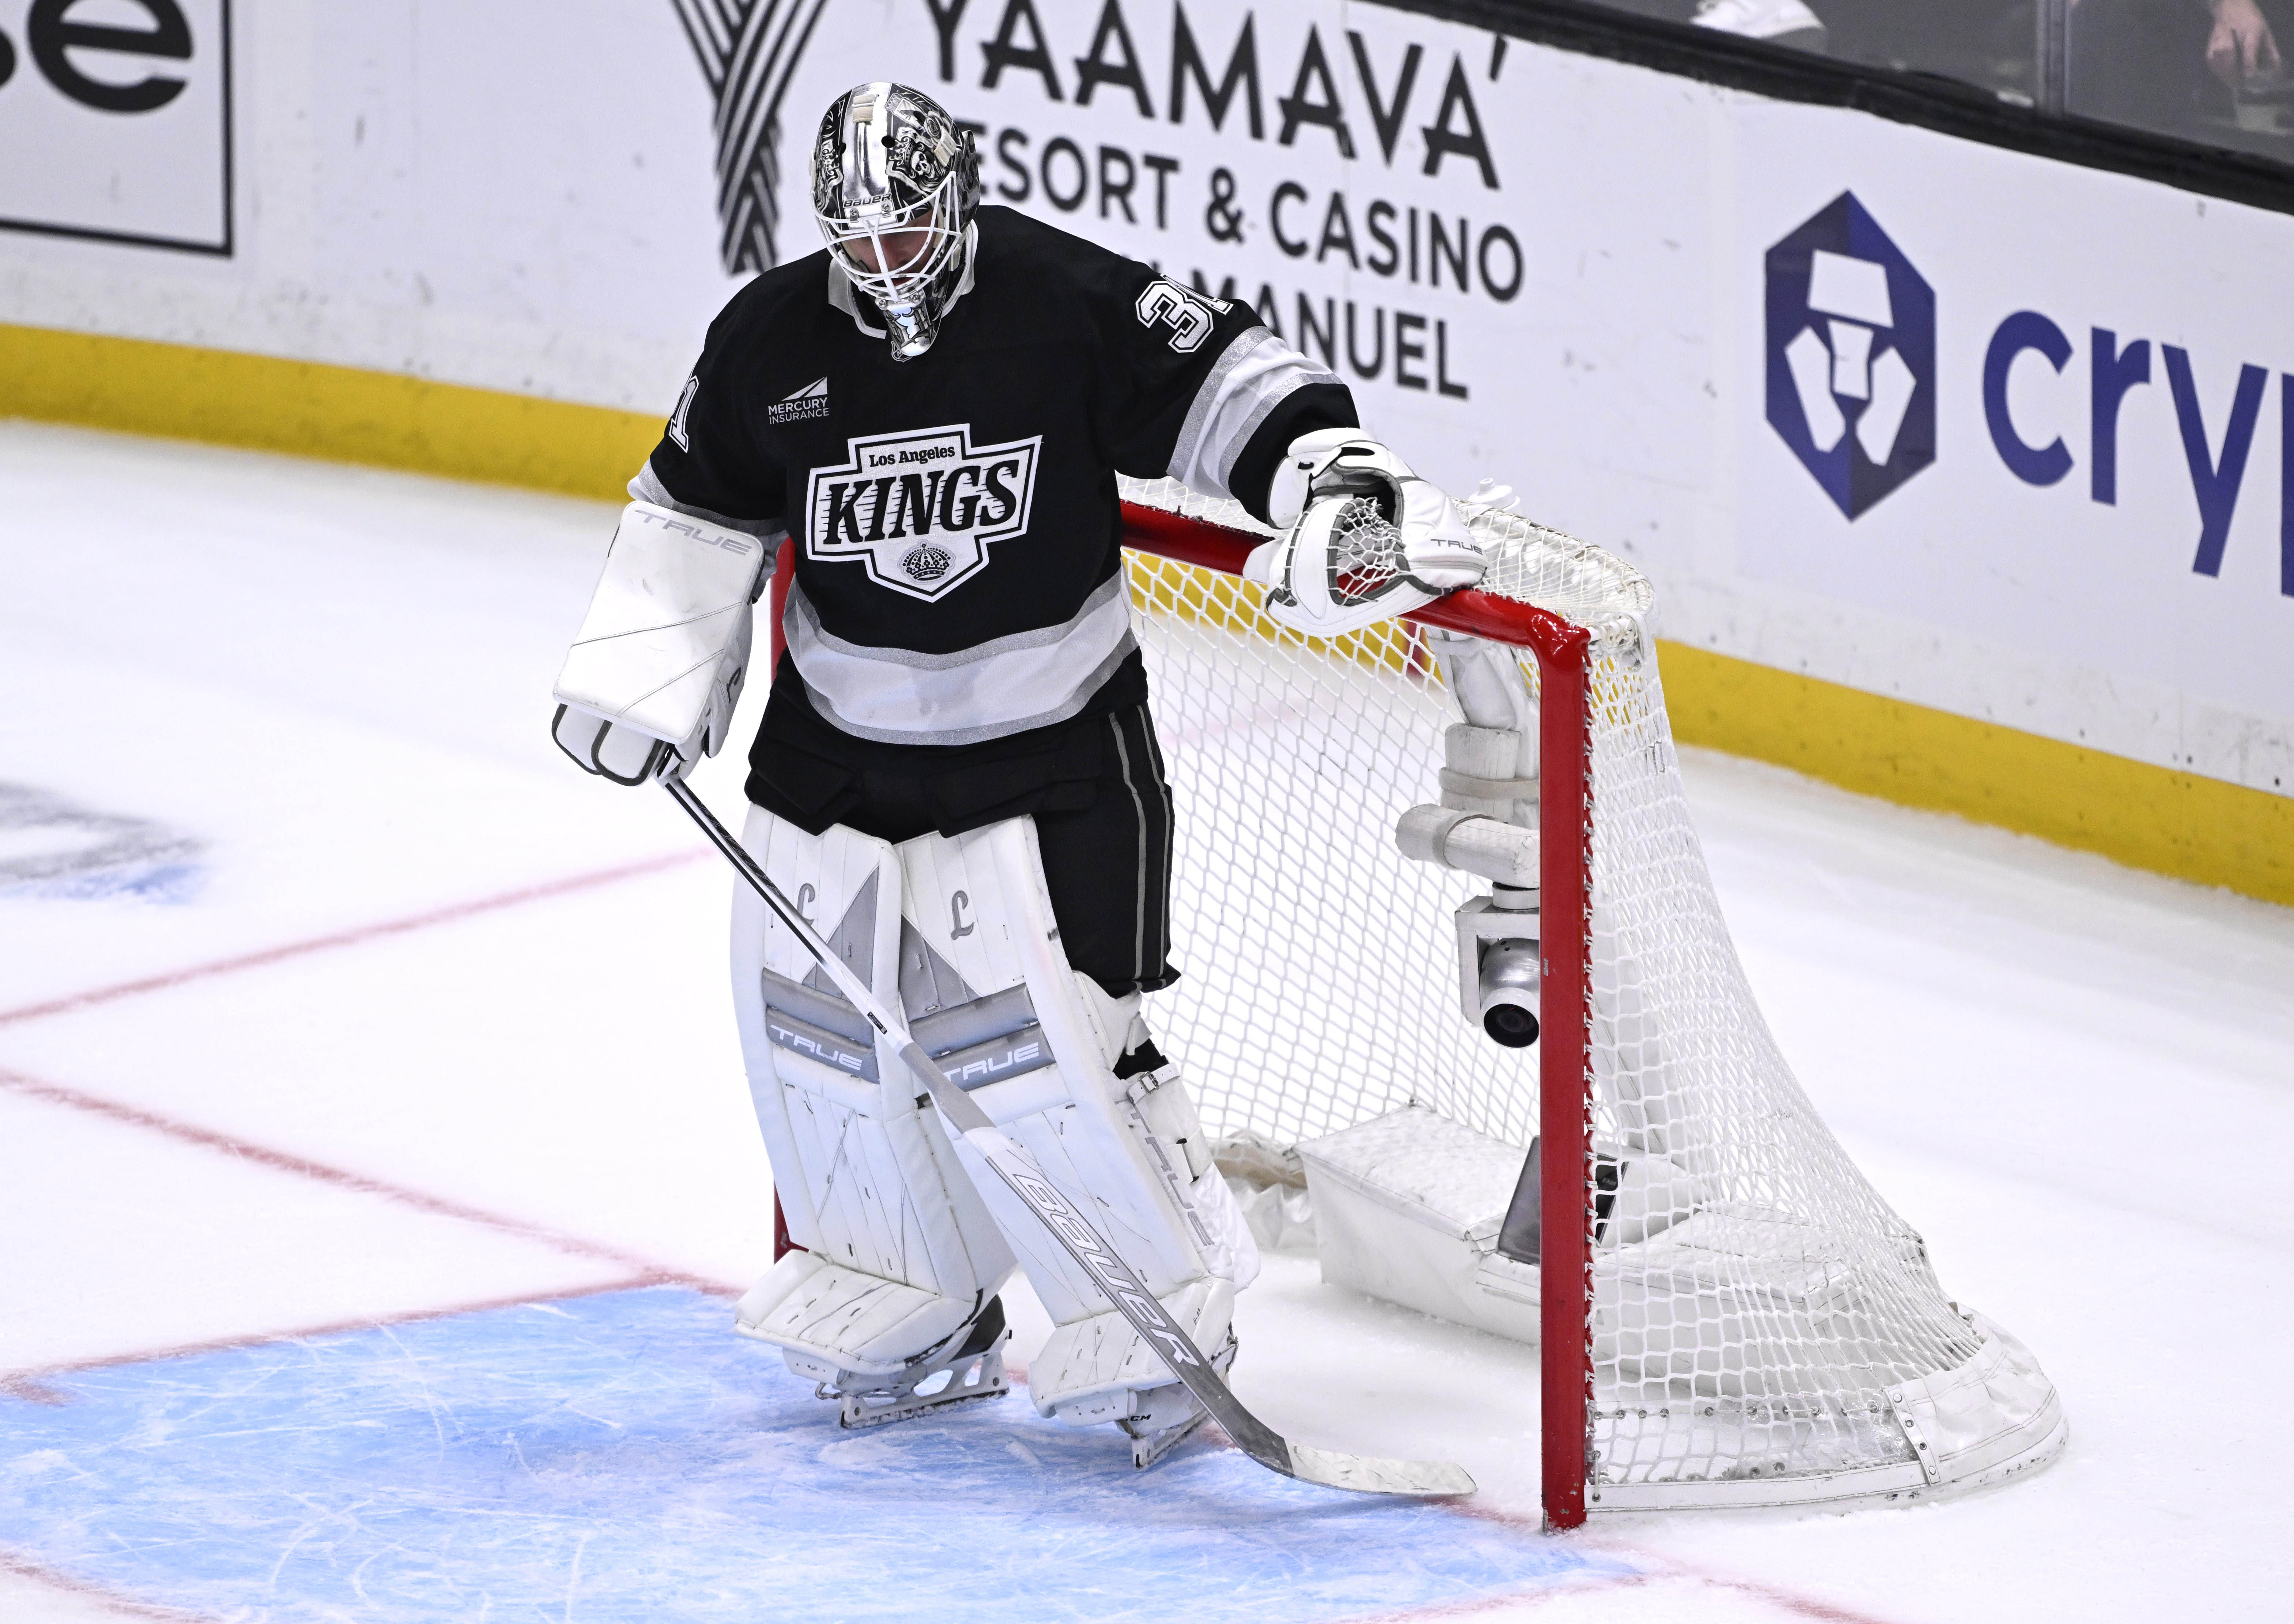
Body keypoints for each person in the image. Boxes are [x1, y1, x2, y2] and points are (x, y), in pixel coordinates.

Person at [548, 82, 1483, 1465]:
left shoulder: (1059, 299)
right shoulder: (767, 336)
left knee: (1046, 1046)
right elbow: (693, 503)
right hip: (830, 760)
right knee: (815, 1032)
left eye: (904, 229)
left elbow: (1234, 383)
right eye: (853, 241)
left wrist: (1331, 473)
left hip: (1050, 759)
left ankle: (1152, 1308)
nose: (881, 264)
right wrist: (644, 670)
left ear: (956, 199)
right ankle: (907, 1288)